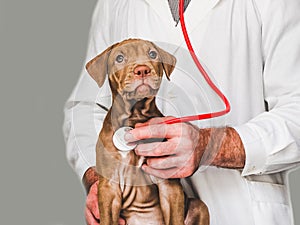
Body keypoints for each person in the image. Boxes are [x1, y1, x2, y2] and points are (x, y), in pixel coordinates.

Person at [63, 0, 300, 224]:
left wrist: (212, 146)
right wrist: (99, 180)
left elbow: (296, 110)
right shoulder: (116, 4)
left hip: (241, 212)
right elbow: (86, 107)